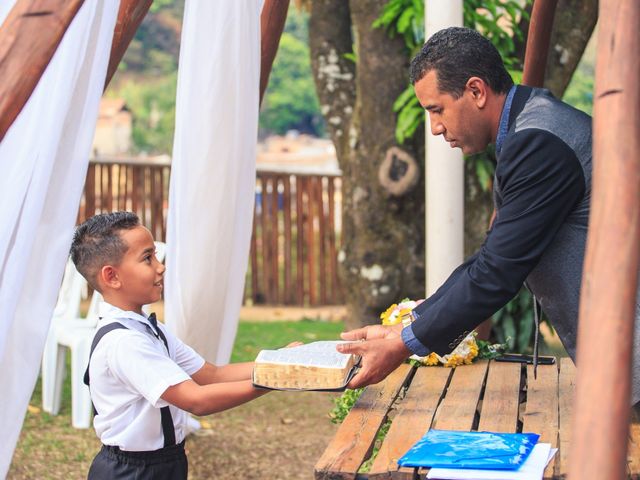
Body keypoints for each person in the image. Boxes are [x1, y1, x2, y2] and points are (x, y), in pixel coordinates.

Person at [337, 26, 640, 406]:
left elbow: (497, 272)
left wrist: (402, 344)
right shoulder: (530, 127)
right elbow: (489, 258)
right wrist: (407, 327)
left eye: (437, 109)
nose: (435, 127)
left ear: (476, 91)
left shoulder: (538, 142)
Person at [71, 211, 286, 479]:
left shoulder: (150, 328)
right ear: (112, 277)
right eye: (147, 258)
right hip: (130, 472)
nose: (160, 266)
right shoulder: (124, 343)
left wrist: (281, 362)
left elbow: (212, 375)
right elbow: (196, 400)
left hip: (167, 462)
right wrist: (276, 379)